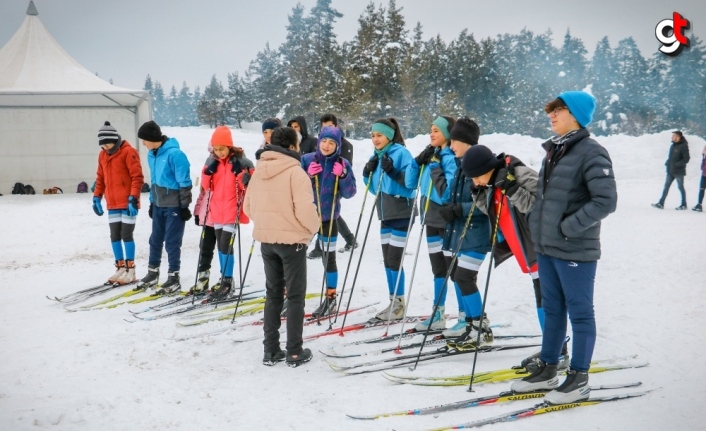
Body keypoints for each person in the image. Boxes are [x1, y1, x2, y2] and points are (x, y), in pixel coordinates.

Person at [511, 91, 617, 405]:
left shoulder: (592, 152)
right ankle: (548, 368)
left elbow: (606, 200)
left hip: (574, 250)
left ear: (576, 115)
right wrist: (540, 230)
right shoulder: (554, 151)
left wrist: (567, 228)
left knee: (580, 314)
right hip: (547, 248)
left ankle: (579, 378)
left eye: (558, 110)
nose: (551, 115)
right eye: (551, 111)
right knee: (554, 309)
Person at [462, 144, 569, 366]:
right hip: (526, 248)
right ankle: (553, 349)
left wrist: (512, 189)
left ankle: (557, 351)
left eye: (476, 177)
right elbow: (493, 210)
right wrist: (479, 195)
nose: (475, 181)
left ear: (486, 168)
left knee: (546, 298)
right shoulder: (491, 180)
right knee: (542, 296)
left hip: (542, 245)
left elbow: (541, 207)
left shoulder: (518, 174)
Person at [243, 126, 319, 367]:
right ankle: (294, 351)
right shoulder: (296, 173)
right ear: (294, 146)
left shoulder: (258, 171)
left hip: (267, 241)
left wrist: (266, 223)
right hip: (292, 243)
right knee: (295, 297)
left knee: (273, 294)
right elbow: (305, 210)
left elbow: (247, 208)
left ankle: (270, 350)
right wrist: (313, 228)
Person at [434, 117, 493, 348]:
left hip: (477, 234)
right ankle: (472, 324)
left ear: (466, 141)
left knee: (463, 277)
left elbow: (488, 201)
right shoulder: (460, 165)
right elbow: (454, 195)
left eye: (454, 142)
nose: (450, 146)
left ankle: (479, 326)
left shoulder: (478, 163)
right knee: (459, 276)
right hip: (462, 232)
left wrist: (460, 209)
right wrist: (450, 206)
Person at [404, 116, 458, 332]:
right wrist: (417, 161)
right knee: (438, 270)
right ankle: (438, 314)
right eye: (431, 130)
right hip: (431, 221)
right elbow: (410, 183)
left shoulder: (450, 158)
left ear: (448, 133)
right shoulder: (432, 156)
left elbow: (448, 193)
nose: (431, 133)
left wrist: (436, 167)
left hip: (446, 221)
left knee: (455, 272)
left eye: (436, 130)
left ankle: (467, 317)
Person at [363, 118, 418, 321]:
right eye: (373, 136)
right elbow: (374, 188)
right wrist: (366, 172)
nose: (375, 139)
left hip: (402, 211)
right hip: (385, 212)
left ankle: (399, 304)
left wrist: (394, 172)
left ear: (389, 135)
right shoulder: (377, 155)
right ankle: (393, 301)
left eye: (379, 135)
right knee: (388, 259)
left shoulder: (401, 153)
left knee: (395, 258)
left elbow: (412, 183)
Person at [301, 126, 357, 317]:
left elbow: (350, 193)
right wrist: (307, 176)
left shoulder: (342, 163)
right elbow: (295, 188)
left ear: (338, 145)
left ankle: (331, 297)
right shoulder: (307, 159)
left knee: (328, 259)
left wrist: (343, 175)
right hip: (305, 217)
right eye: (324, 141)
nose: (326, 145)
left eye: (332, 142)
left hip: (328, 217)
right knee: (296, 259)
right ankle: (291, 296)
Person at [135, 120, 193, 294]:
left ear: (152, 138)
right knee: (155, 240)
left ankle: (173, 277)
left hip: (174, 206)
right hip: (159, 206)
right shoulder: (151, 155)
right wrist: (152, 202)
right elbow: (153, 181)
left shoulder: (175, 154)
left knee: (172, 242)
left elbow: (185, 182)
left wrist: (184, 206)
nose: (143, 144)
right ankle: (153, 273)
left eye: (144, 140)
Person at [199, 126, 254, 300]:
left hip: (232, 210)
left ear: (229, 146)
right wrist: (207, 171)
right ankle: (224, 279)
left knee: (225, 246)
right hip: (216, 211)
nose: (219, 152)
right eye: (216, 149)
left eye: (222, 149)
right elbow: (207, 186)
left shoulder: (241, 162)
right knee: (220, 247)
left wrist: (242, 176)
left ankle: (228, 281)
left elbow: (248, 186)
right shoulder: (213, 161)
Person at [92, 121, 144, 285]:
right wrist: (97, 197)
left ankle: (131, 269)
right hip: (112, 203)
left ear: (114, 140)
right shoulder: (102, 155)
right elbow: (100, 179)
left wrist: (133, 198)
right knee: (114, 235)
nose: (105, 147)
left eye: (107, 143)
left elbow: (138, 177)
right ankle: (120, 267)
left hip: (128, 203)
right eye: (103, 145)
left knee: (126, 235)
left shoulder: (128, 152)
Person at [308, 113, 358, 258]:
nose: (327, 129)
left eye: (329, 126)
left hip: (335, 186)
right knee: (327, 214)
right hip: (319, 186)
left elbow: (346, 166)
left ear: (336, 126)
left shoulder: (346, 145)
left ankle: (322, 246)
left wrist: (341, 175)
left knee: (331, 215)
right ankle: (348, 239)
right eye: (324, 127)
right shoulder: (320, 144)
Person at [186, 142, 217, 294]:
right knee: (205, 248)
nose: (214, 154)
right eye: (212, 151)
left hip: (221, 216)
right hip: (207, 216)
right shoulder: (209, 163)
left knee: (225, 249)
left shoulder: (229, 163)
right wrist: (198, 212)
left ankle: (227, 279)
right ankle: (203, 278)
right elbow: (203, 192)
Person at [652, 131, 690, 210]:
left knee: (680, 187)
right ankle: (661, 203)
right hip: (670, 170)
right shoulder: (673, 145)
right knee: (666, 187)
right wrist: (668, 162)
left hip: (679, 171)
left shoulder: (684, 145)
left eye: (674, 136)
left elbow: (686, 159)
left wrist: (677, 165)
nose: (672, 137)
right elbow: (671, 157)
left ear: (678, 137)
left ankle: (684, 204)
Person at [693, 145, 706, 212]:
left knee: (702, 189)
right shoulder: (705, 148)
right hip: (704, 174)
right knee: (701, 189)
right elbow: (703, 159)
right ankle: (699, 204)